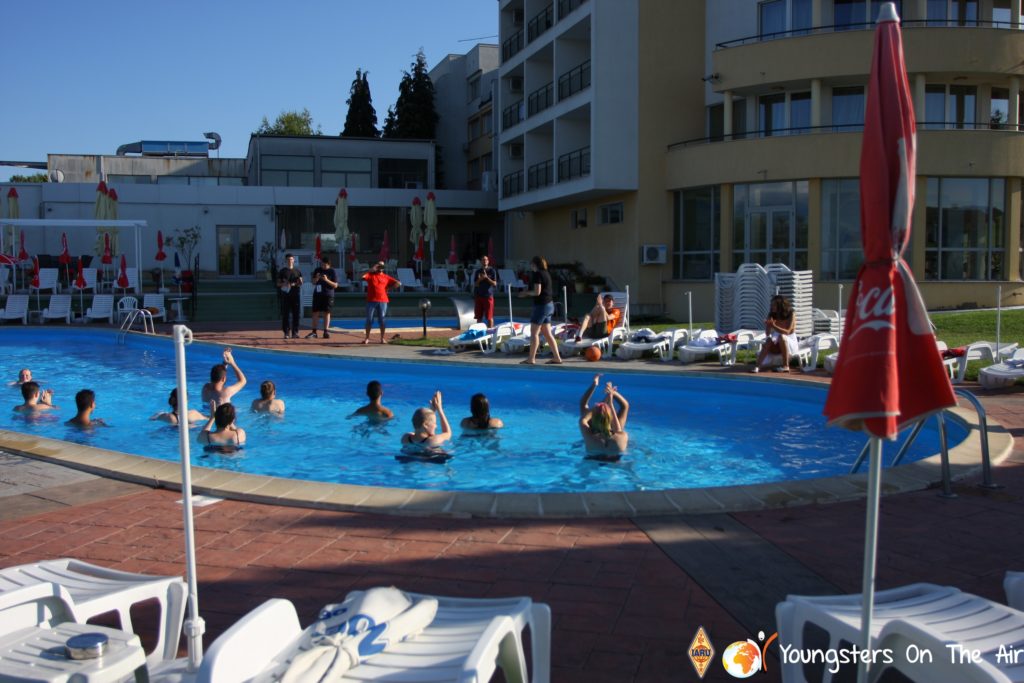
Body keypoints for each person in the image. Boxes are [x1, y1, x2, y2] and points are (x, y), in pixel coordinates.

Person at [517, 256, 563, 365]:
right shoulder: (546, 274)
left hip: (541, 306)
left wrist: (525, 293)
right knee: (547, 333)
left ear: (534, 264)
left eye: (531, 264)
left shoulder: (537, 274)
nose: (530, 266)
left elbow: (537, 292)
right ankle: (557, 358)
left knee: (534, 333)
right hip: (549, 305)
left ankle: (531, 359)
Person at [578, 374, 629, 459]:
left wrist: (594, 385)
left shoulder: (588, 436)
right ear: (611, 418)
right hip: (615, 463)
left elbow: (583, 413)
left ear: (593, 416)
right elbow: (625, 406)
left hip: (591, 460)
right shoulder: (622, 437)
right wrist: (612, 394)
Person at [753, 294, 798, 373]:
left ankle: (786, 366)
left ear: (780, 305)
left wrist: (774, 326)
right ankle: (757, 367)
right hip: (777, 343)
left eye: (774, 305)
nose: (772, 307)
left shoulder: (791, 313)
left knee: (782, 337)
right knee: (769, 340)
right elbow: (767, 334)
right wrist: (768, 326)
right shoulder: (771, 314)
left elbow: (787, 331)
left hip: (789, 342)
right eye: (771, 305)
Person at [362, 260, 400, 344]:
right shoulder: (370, 275)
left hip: (383, 300)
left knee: (382, 320)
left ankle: (382, 338)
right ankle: (367, 338)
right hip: (371, 301)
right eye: (379, 266)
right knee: (369, 319)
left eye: (382, 266)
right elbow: (362, 277)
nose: (380, 268)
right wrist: (372, 269)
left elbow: (398, 283)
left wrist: (389, 288)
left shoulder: (386, 277)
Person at [306, 256, 338, 339]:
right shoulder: (317, 270)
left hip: (328, 295)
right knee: (315, 312)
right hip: (317, 294)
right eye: (321, 264)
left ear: (328, 264)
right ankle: (314, 332)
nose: (322, 266)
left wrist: (326, 280)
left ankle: (326, 331)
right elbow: (313, 282)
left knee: (326, 312)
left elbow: (335, 285)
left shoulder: (332, 271)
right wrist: (316, 278)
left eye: (324, 265)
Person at [277, 252, 303, 339]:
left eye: (291, 259)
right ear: (285, 260)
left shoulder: (297, 271)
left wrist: (299, 282)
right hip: (286, 295)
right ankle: (286, 333)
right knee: (286, 314)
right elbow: (278, 283)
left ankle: (295, 332)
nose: (290, 261)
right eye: (288, 259)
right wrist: (284, 284)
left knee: (296, 314)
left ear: (294, 260)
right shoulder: (282, 271)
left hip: (295, 295)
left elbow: (300, 283)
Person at [471, 255, 498, 328]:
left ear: (488, 261)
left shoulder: (492, 271)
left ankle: (490, 332)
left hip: (488, 296)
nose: (484, 261)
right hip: (479, 296)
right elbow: (475, 284)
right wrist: (480, 279)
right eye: (483, 260)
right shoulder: (478, 271)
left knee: (489, 317)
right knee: (479, 317)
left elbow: (494, 284)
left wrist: (486, 278)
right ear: (481, 262)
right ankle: (479, 332)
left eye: (486, 260)